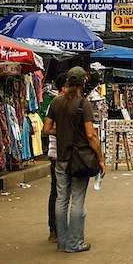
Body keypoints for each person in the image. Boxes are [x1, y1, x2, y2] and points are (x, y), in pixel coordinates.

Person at [42, 67, 105, 253]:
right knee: (77, 199)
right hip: (80, 158)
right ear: (83, 82)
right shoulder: (82, 104)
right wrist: (101, 158)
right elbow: (91, 135)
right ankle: (75, 243)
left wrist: (62, 132)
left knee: (61, 199)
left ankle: (62, 242)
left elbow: (46, 128)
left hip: (61, 158)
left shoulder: (56, 102)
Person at [44, 74, 66, 243]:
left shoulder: (73, 103)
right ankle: (55, 229)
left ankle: (61, 229)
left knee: (64, 193)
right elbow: (47, 129)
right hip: (56, 153)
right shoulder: (55, 103)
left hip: (70, 154)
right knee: (57, 192)